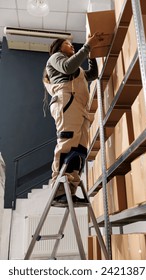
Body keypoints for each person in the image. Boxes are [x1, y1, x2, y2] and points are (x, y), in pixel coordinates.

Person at [43, 33, 102, 203]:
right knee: (67, 143)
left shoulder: (78, 70)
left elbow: (93, 74)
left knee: (79, 150)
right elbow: (68, 67)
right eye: (68, 44)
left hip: (78, 106)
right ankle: (58, 191)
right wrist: (87, 46)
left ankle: (70, 191)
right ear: (58, 47)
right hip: (67, 101)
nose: (71, 45)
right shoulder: (56, 58)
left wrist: (91, 55)